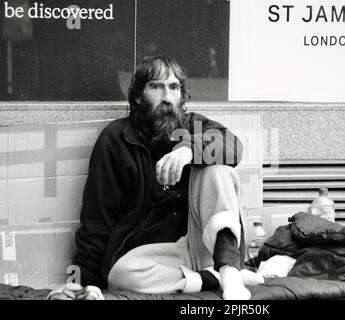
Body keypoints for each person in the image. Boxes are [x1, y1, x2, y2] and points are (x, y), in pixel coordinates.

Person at [48, 55, 263, 300]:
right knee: (120, 275)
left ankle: (230, 272)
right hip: (158, 254)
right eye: (156, 86)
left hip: (206, 243)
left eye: (174, 87)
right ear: (138, 96)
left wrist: (189, 150)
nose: (167, 97)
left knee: (217, 168)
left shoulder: (194, 126)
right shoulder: (116, 140)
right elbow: (98, 219)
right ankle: (210, 278)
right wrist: (81, 283)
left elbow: (234, 147)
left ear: (182, 96)